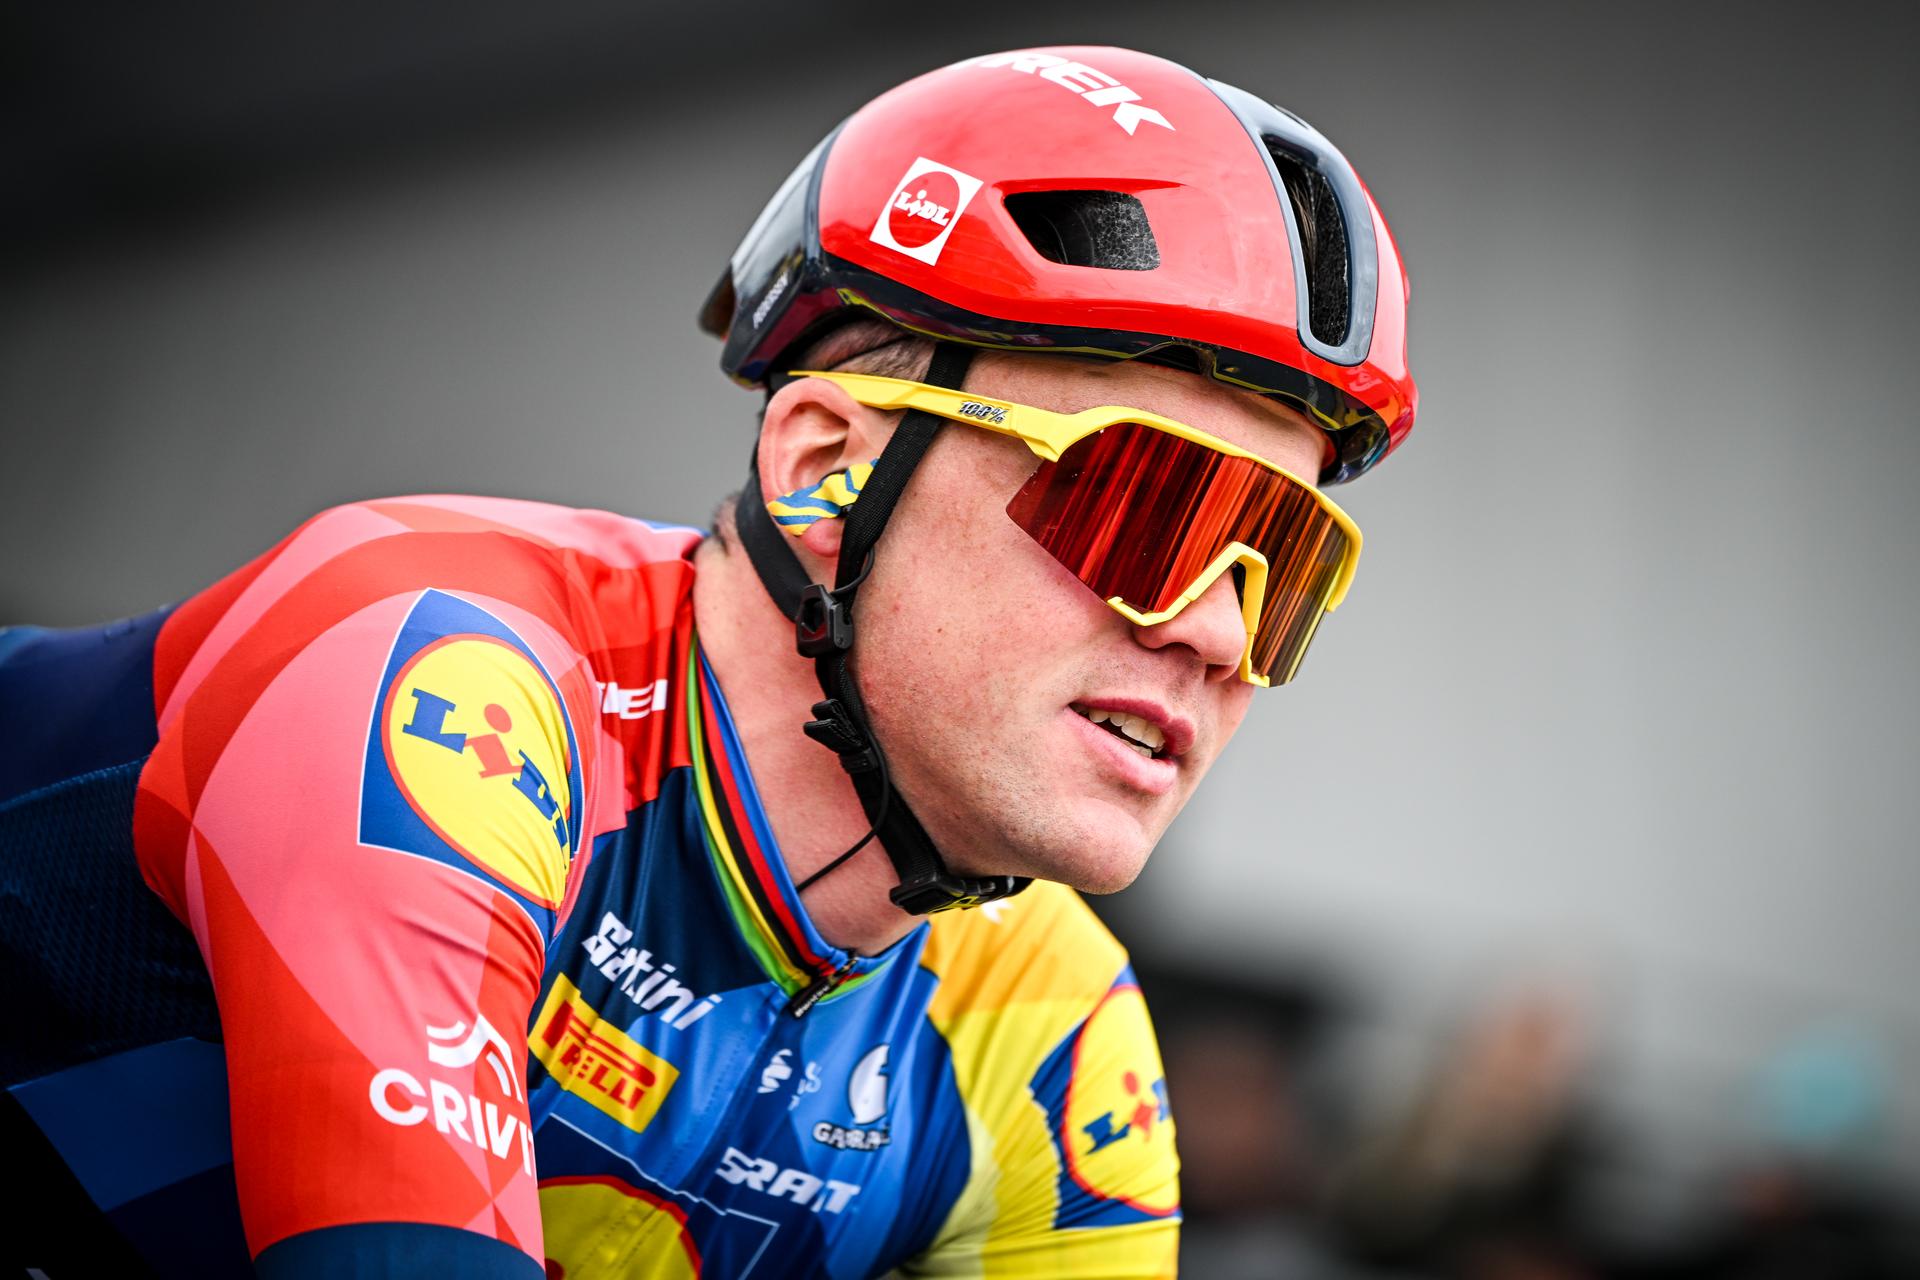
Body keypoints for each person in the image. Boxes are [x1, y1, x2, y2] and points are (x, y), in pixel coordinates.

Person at [0, 44, 1415, 1279]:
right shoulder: (446, 674)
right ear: (827, 471)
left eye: (1283, 567)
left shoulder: (1045, 1027)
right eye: (1146, 508)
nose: (1220, 634)